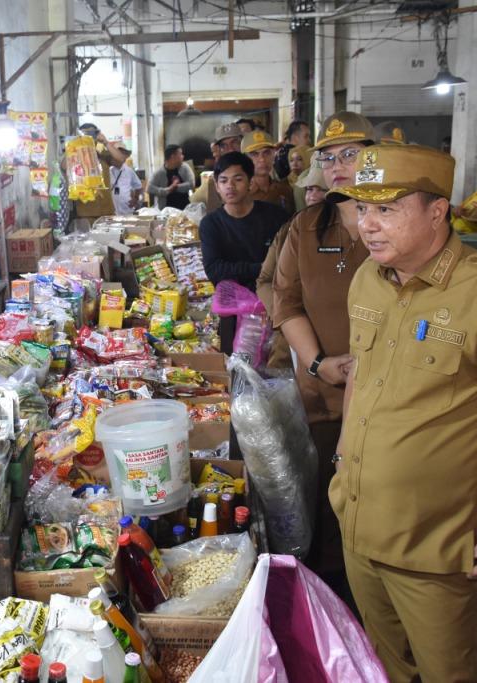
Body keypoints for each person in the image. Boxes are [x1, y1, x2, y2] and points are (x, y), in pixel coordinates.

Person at [329, 143, 477, 683]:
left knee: (449, 673)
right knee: (383, 666)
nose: (367, 224)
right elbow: (362, 373)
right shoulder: (367, 278)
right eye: (362, 208)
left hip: (436, 551)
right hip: (359, 526)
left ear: (437, 211)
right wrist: (344, 458)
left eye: (387, 209)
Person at [271, 112, 375, 584]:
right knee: (327, 504)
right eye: (328, 158)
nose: (337, 166)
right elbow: (286, 303)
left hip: (389, 398)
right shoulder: (307, 227)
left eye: (350, 154)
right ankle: (331, 601)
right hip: (324, 396)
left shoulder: (399, 224)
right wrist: (317, 363)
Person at [199, 151, 289, 354]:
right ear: (217, 186)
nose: (230, 186)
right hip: (232, 312)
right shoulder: (211, 224)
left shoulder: (276, 217)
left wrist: (253, 272)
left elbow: (287, 264)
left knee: (275, 364)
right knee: (239, 365)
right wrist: (262, 268)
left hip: (274, 305)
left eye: (238, 179)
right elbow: (214, 270)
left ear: (250, 182)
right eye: (223, 181)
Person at [256, 156, 330, 370]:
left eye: (320, 189)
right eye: (309, 189)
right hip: (289, 341)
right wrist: (286, 319)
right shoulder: (290, 229)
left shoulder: (356, 231)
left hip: (335, 339)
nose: (312, 195)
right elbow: (265, 280)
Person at [74, 123, 129, 224]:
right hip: (85, 212)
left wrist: (106, 142)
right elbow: (64, 165)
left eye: (92, 134)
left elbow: (121, 159)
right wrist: (77, 146)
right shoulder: (75, 152)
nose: (90, 138)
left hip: (106, 210)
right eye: (86, 134)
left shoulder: (101, 152)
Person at [190, 123, 243, 211]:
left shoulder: (256, 171)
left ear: (243, 143)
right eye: (224, 145)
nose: (230, 149)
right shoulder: (214, 182)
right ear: (219, 150)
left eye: (235, 142)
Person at [242, 129, 295, 213]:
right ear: (244, 158)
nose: (262, 159)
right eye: (254, 154)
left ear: (274, 154)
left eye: (266, 153)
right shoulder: (241, 194)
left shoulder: (285, 190)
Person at [148, 144, 194, 210]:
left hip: (185, 210)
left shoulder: (185, 167)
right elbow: (149, 188)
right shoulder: (159, 172)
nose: (183, 156)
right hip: (166, 211)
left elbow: (191, 184)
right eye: (180, 154)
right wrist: (167, 190)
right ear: (173, 157)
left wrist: (176, 187)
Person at [108, 144, 143, 215]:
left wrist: (135, 199)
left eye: (122, 154)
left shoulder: (129, 171)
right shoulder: (107, 170)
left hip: (126, 211)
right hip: (111, 211)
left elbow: (138, 186)